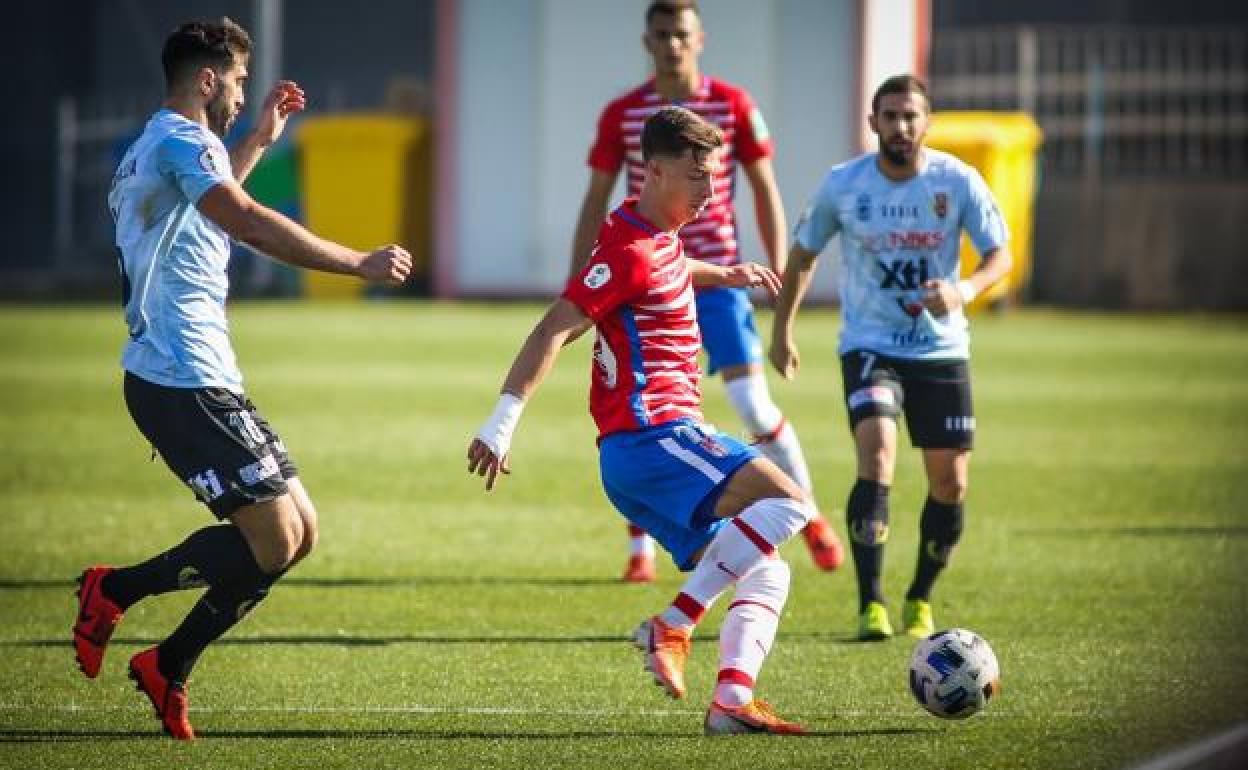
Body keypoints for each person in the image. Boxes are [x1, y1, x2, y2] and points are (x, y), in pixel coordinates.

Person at [72, 18, 411, 741]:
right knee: (273, 538)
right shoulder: (181, 142)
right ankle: (120, 598)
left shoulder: (151, 148)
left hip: (197, 373)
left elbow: (212, 203)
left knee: (300, 532)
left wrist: (258, 136)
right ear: (206, 80)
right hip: (180, 375)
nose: (238, 92)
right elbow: (247, 221)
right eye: (236, 81)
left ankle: (163, 657)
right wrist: (357, 262)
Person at [470, 107, 808, 735]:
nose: (710, 192)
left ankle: (732, 701)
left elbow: (667, 268)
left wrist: (723, 273)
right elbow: (554, 327)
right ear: (653, 171)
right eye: (697, 176)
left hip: (650, 452)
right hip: (656, 439)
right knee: (792, 505)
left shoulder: (655, 237)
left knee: (767, 569)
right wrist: (503, 419)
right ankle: (674, 623)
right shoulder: (628, 251)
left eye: (714, 178)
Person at [570, 0, 842, 582]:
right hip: (644, 279)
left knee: (750, 405)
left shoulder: (735, 104)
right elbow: (597, 196)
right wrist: (582, 279)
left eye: (681, 34)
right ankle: (643, 551)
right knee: (647, 411)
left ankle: (810, 513)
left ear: (701, 38)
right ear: (647, 41)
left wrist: (776, 271)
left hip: (716, 278)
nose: (672, 44)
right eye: (662, 34)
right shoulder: (624, 112)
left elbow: (764, 188)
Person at [770, 74, 1013, 641]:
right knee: (876, 454)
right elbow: (803, 255)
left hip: (941, 350)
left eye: (912, 116)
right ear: (872, 123)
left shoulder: (957, 181)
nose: (901, 126)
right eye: (891, 116)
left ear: (927, 122)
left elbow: (1000, 256)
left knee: (950, 483)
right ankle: (870, 603)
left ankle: (920, 596)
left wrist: (964, 291)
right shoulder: (844, 186)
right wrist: (782, 331)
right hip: (870, 345)